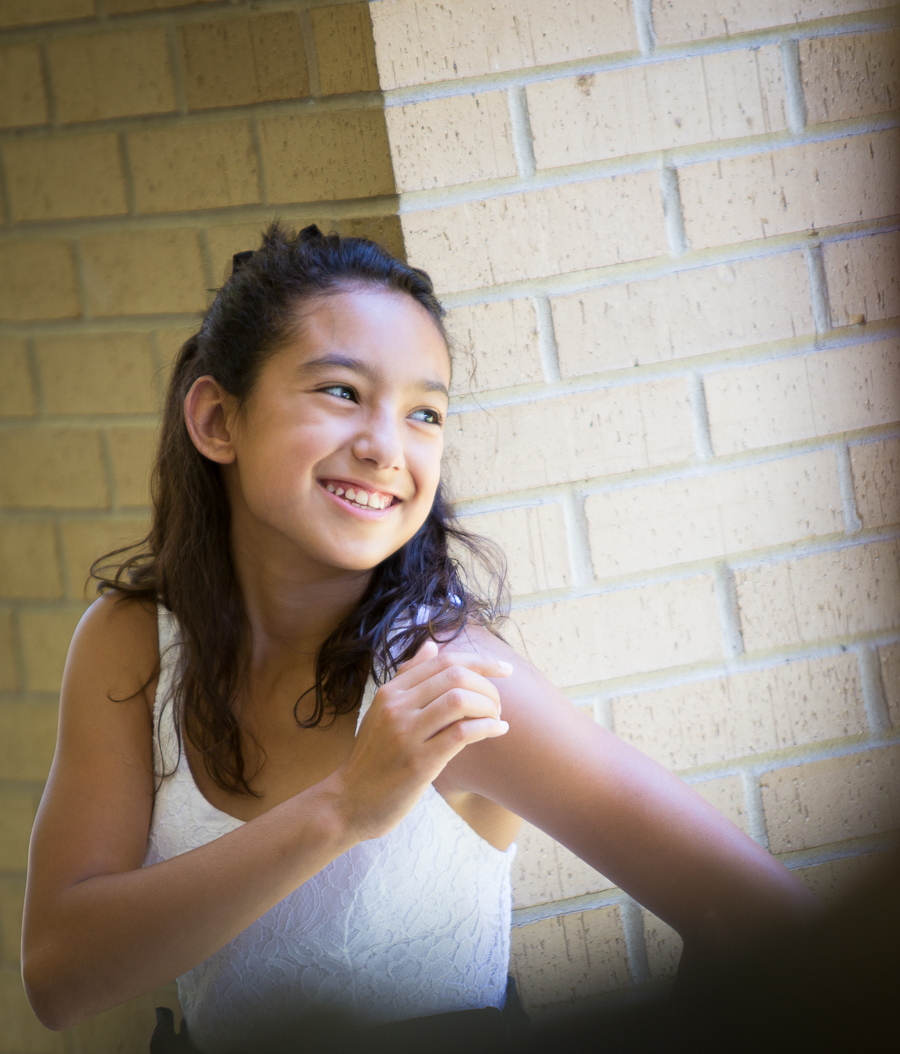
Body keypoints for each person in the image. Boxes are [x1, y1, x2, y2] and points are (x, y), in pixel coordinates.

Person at [22, 225, 820, 1053]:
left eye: (425, 413)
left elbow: (767, 927)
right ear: (219, 418)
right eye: (340, 392)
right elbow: (58, 976)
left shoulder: (456, 682)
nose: (385, 447)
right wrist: (343, 809)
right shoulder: (134, 645)